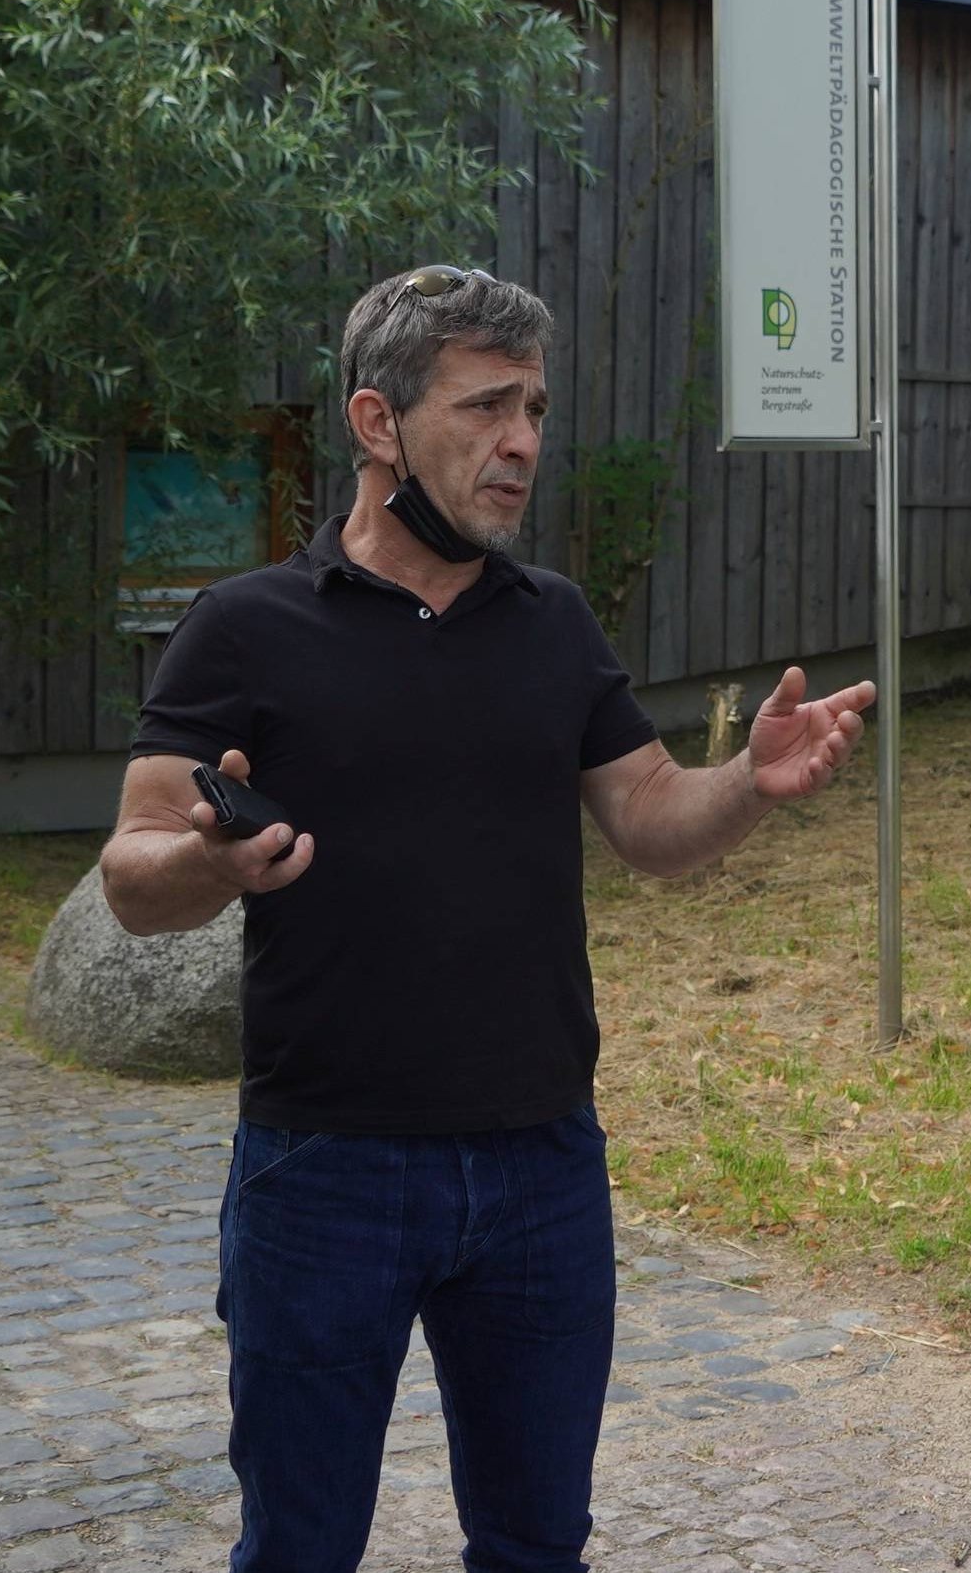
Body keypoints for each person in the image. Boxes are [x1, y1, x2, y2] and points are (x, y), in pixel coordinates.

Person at [99, 264, 877, 1573]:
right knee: (299, 1544)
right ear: (377, 422)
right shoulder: (247, 630)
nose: (521, 441)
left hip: (539, 1170)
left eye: (535, 409)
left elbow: (646, 817)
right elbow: (130, 868)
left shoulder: (550, 622)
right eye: (485, 407)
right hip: (323, 1170)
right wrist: (214, 862)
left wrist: (750, 780)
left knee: (535, 1544)